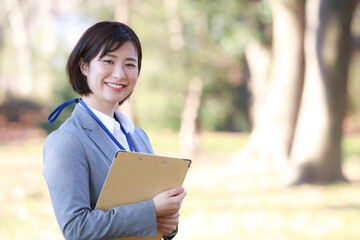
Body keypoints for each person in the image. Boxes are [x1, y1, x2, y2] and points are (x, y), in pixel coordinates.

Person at [43, 21, 186, 240]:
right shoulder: (67, 141)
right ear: (84, 66)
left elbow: (153, 218)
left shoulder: (138, 136)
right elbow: (75, 229)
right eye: (108, 61)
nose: (119, 74)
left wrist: (168, 222)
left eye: (130, 64)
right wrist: (152, 211)